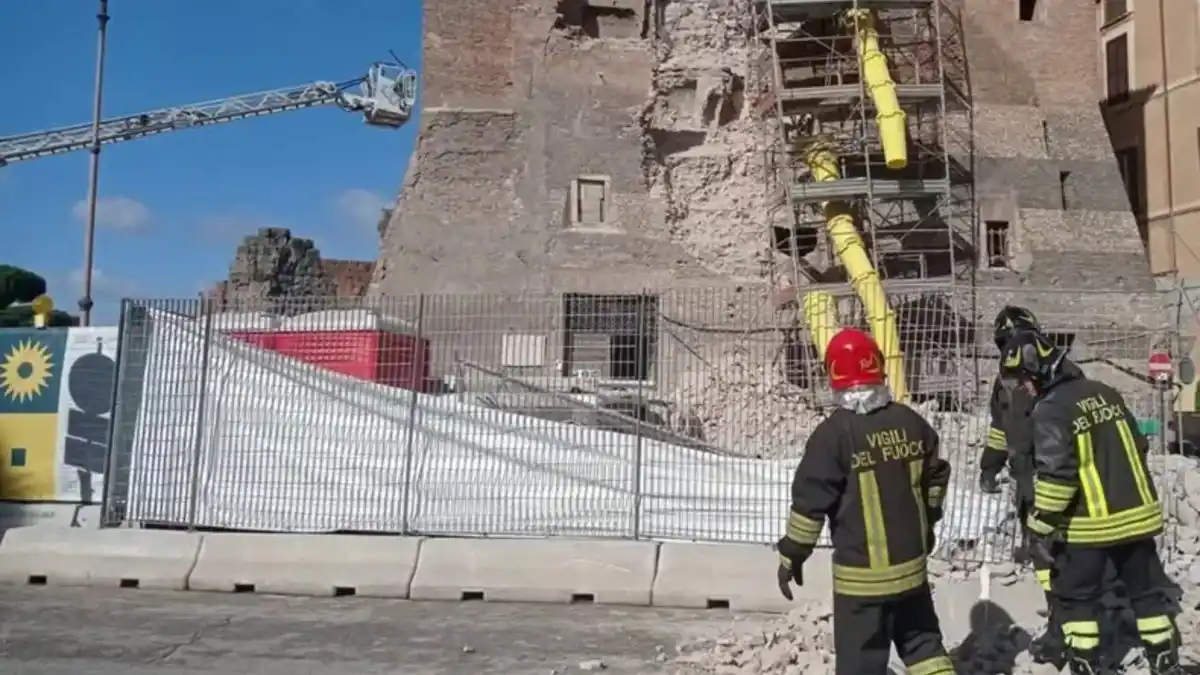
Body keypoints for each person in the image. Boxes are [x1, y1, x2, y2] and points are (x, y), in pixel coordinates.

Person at [776, 327, 956, 675]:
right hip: (912, 572)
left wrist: (791, 555)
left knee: (862, 663)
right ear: (878, 366)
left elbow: (809, 508)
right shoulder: (911, 422)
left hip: (862, 585)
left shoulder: (833, 436)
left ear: (834, 374)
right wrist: (928, 521)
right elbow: (936, 477)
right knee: (924, 648)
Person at [1004, 330, 1181, 675]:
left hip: (1089, 528)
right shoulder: (1106, 393)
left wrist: (1039, 529)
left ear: (1039, 373)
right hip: (1138, 519)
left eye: (1024, 379)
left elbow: (1058, 478)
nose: (1024, 388)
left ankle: (1087, 665)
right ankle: (1165, 662)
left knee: (1076, 601)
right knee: (1147, 596)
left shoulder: (1051, 410)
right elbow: (1138, 448)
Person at [980, 306, 1068, 663]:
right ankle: (1060, 613)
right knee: (1042, 551)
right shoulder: (1006, 382)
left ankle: (1066, 623)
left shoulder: (1049, 376)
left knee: (1053, 548)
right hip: (1027, 476)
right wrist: (990, 465)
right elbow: (1001, 428)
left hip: (1053, 473)